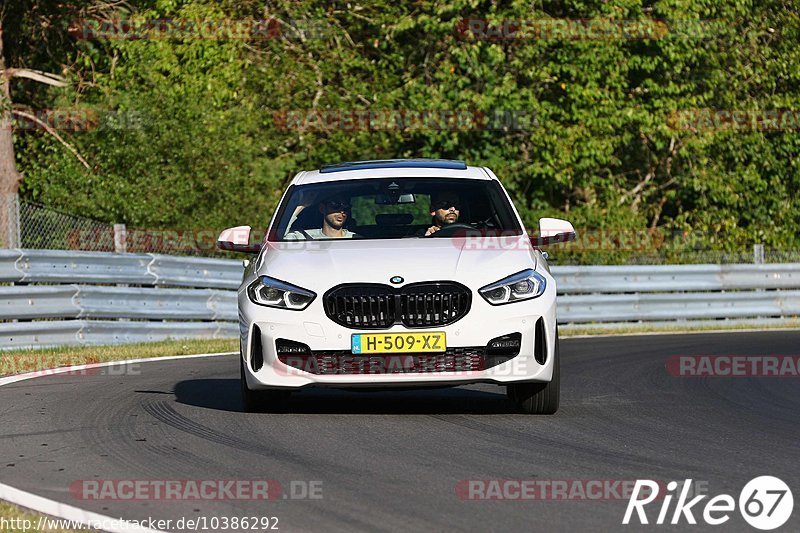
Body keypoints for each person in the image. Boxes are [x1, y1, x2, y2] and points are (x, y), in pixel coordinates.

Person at [284, 192, 357, 240]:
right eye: (335, 205)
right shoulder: (304, 237)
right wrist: (301, 206)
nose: (342, 211)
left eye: (346, 207)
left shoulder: (356, 239)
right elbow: (279, 238)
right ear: (322, 208)